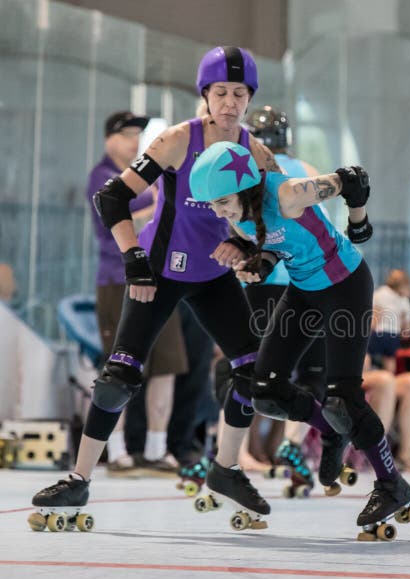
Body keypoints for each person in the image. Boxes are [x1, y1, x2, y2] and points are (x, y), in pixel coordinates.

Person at [30, 46, 279, 532]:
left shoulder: (256, 153)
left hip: (212, 277)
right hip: (159, 272)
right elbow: (111, 198)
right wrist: (134, 260)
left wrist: (252, 252)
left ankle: (225, 471)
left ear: (250, 99)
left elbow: (270, 222)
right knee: (119, 375)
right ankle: (78, 477)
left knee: (252, 373)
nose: (230, 102)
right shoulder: (176, 140)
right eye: (221, 92)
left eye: (240, 94)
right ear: (205, 94)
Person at [189, 140, 410, 540]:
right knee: (265, 391)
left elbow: (354, 179)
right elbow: (280, 244)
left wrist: (358, 221)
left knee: (344, 400)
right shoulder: (239, 211)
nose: (219, 211)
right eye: (212, 205)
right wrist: (256, 264)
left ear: (245, 187)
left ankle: (391, 484)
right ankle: (330, 431)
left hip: (346, 285)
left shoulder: (288, 193)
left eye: (223, 201)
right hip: (304, 290)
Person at [88, 111, 188, 477]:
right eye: (127, 133)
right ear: (108, 139)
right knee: (119, 368)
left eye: (138, 134)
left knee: (166, 366)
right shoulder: (102, 178)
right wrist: (163, 200)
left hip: (160, 277)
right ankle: (116, 452)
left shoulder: (146, 180)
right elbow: (125, 216)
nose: (134, 140)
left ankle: (157, 449)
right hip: (119, 280)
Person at [239, 105, 329, 493]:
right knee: (309, 372)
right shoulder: (306, 169)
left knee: (248, 368)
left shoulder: (245, 167)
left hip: (258, 281)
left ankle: (240, 451)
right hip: (303, 283)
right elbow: (320, 225)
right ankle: (292, 443)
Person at [363, 356, 410, 473]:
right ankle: (377, 455)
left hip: (382, 377)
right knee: (385, 380)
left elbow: (390, 365)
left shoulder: (387, 337)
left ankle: (405, 456)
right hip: (352, 374)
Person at [369, 269, 410, 374]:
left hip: (379, 332)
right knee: (390, 359)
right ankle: (390, 380)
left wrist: (370, 330)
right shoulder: (404, 300)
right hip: (394, 334)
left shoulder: (380, 293)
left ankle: (364, 377)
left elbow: (375, 314)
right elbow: (407, 325)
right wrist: (405, 333)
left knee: (367, 354)